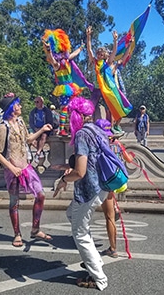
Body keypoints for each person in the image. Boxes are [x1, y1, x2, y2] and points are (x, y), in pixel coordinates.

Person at [53, 96, 109, 291]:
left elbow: (81, 172)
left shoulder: (82, 135)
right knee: (72, 216)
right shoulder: (97, 130)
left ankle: (99, 278)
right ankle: (94, 258)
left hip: (88, 190)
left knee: (79, 233)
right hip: (102, 187)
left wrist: (63, 181)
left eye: (69, 115)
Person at [0, 93, 53, 248]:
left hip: (26, 167)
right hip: (12, 170)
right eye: (17, 105)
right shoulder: (3, 128)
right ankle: (17, 234)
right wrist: (11, 167)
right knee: (14, 202)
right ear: (11, 108)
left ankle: (35, 229)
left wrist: (42, 130)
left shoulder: (20, 122)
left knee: (41, 195)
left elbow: (28, 139)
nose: (20, 107)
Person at [42, 28, 93, 136]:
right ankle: (62, 129)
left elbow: (74, 54)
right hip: (64, 88)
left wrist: (81, 47)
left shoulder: (67, 59)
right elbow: (51, 59)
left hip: (71, 86)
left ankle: (75, 126)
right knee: (64, 108)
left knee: (74, 107)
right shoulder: (57, 64)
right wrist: (48, 51)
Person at [86, 26, 133, 138]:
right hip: (98, 89)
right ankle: (89, 125)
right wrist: (88, 36)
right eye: (98, 54)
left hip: (108, 88)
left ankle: (114, 126)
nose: (99, 56)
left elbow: (116, 53)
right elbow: (89, 50)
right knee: (90, 107)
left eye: (101, 55)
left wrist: (116, 40)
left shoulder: (108, 64)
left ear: (105, 56)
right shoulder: (95, 62)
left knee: (115, 106)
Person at [29, 96, 53, 163]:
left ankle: (38, 153)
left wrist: (44, 128)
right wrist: (34, 128)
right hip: (36, 129)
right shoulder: (33, 112)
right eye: (35, 102)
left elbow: (50, 121)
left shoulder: (47, 111)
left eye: (37, 102)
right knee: (32, 139)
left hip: (45, 129)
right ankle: (40, 151)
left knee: (43, 137)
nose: (36, 103)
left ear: (42, 102)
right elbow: (31, 122)